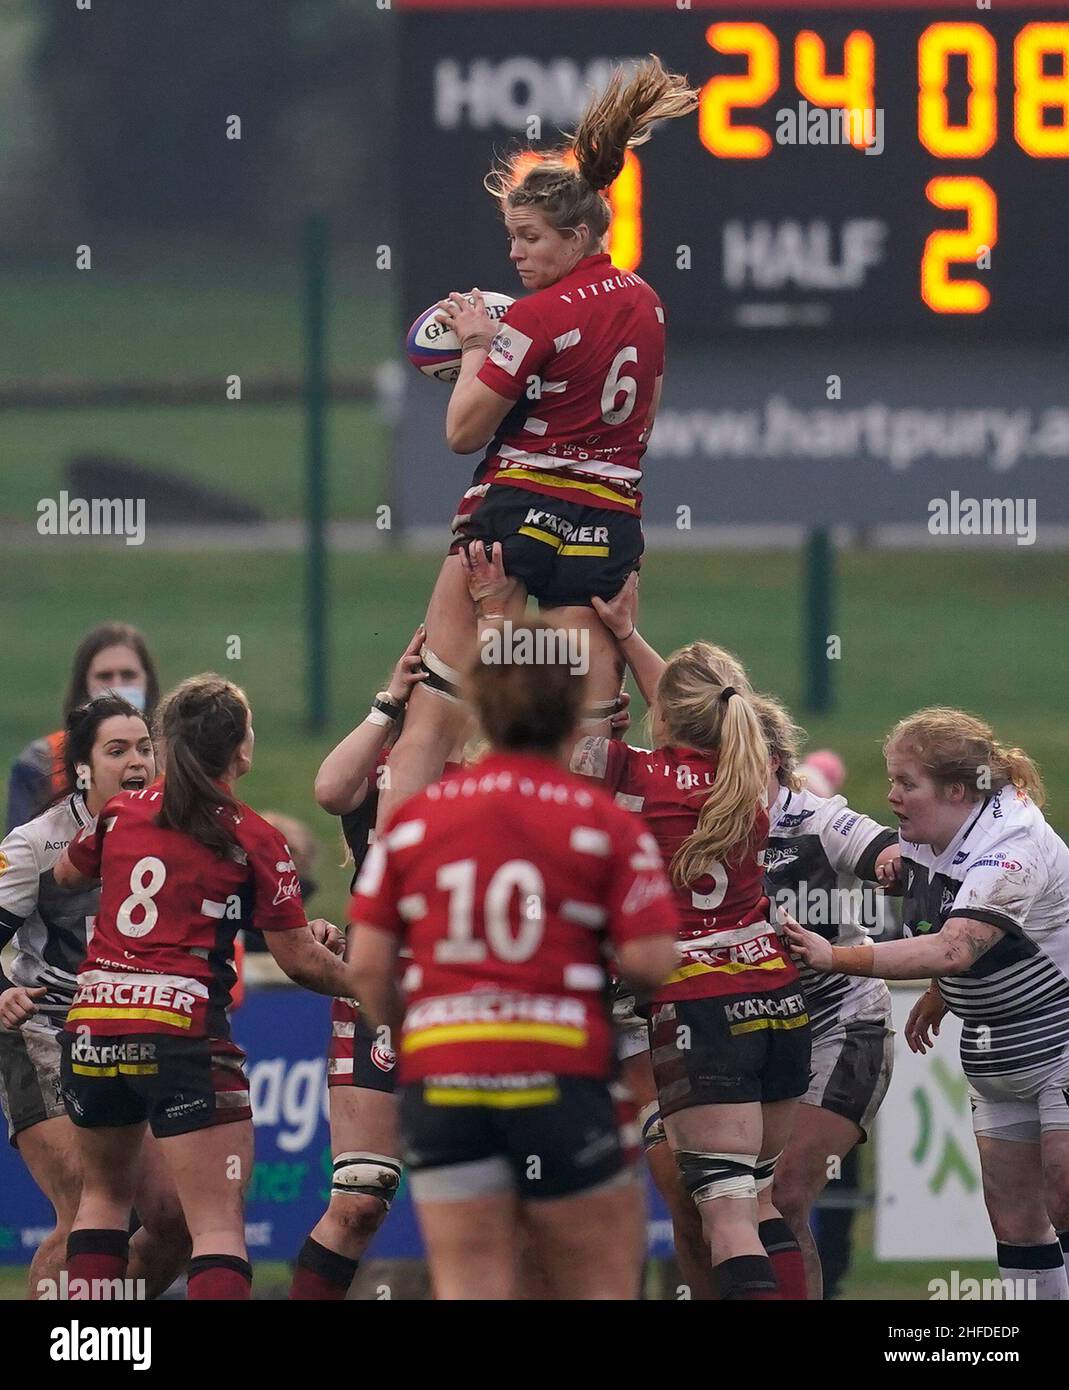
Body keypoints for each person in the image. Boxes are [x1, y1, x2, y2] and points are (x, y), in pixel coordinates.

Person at [376, 57, 699, 831]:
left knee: (437, 714)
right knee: (585, 735)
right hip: (606, 526)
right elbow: (642, 414)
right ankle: (573, 899)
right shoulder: (647, 304)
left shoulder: (532, 318)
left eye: (529, 238)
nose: (516, 255)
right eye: (511, 238)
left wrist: (481, 349)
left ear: (580, 233)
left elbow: (462, 433)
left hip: (513, 515)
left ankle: (392, 898)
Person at [347, 622, 679, 1299]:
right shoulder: (602, 822)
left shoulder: (416, 820)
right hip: (559, 1073)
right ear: (569, 706)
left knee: (471, 1284)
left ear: (480, 706)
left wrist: (418, 1035)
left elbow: (367, 967)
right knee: (600, 1282)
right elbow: (651, 960)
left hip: (446, 1076)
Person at [52, 675, 363, 1300]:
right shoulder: (254, 837)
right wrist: (377, 987)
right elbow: (301, 961)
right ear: (242, 751)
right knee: (216, 1225)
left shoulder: (119, 813)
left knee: (102, 1203)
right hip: (180, 1037)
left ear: (166, 743)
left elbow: (64, 874)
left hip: (94, 1029)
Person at [561, 568, 812, 1300]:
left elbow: (582, 726)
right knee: (760, 1202)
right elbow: (699, 713)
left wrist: (603, 639)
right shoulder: (757, 778)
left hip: (700, 1007)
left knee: (725, 1218)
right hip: (775, 997)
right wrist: (633, 635)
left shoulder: (627, 772)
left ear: (662, 716)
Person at [786, 707, 1069, 1300]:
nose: (890, 796)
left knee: (1064, 1191)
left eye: (904, 783)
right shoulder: (932, 832)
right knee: (1014, 1218)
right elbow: (959, 932)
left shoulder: (1010, 841)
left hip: (1057, 1034)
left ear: (957, 790)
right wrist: (944, 997)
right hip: (993, 1043)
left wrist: (835, 957)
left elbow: (954, 948)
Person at [0, 695, 188, 1299]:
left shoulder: (178, 825)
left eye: (144, 748)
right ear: (82, 767)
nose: (136, 761)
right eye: (117, 750)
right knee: (88, 1201)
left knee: (173, 1221)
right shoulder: (35, 845)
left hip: (133, 1028)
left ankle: (100, 1334)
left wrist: (304, 930)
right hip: (44, 1028)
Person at [754, 694, 898, 1300]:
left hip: (842, 1020)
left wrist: (895, 862)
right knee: (734, 1206)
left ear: (778, 761)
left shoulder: (812, 817)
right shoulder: (694, 818)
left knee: (784, 1194)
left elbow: (877, 845)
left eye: (735, 757)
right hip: (751, 1028)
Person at [6, 622, 160, 832]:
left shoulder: (173, 758)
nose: (117, 685)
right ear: (83, 686)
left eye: (128, 675)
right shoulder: (41, 761)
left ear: (148, 683)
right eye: (105, 676)